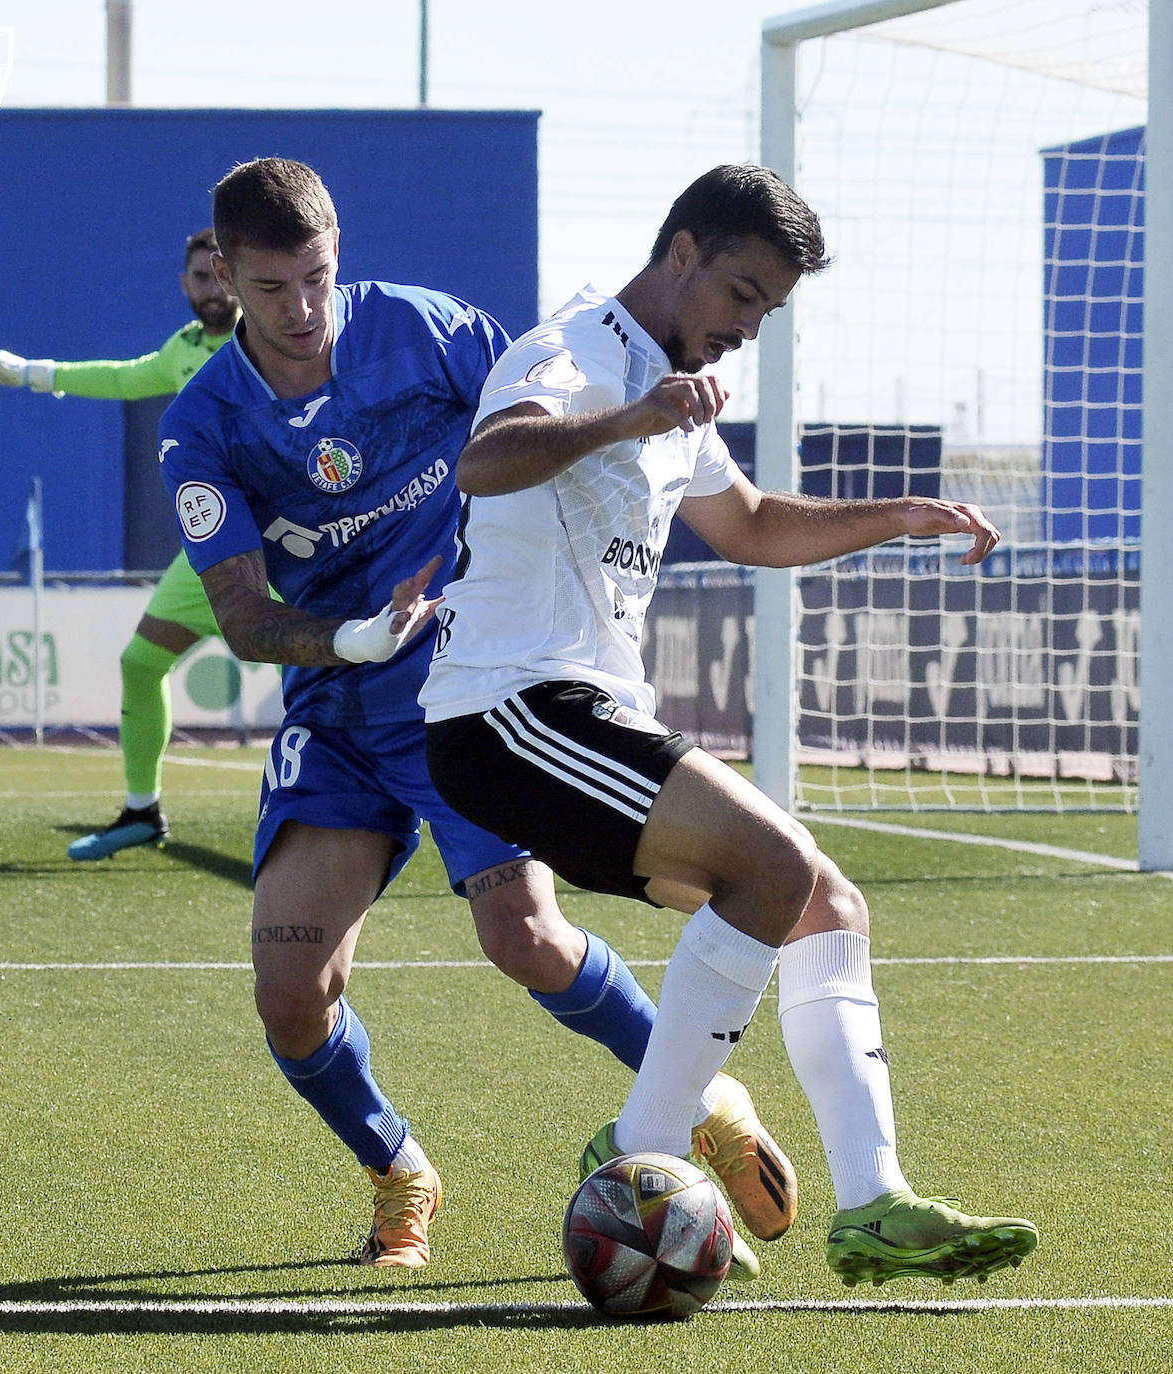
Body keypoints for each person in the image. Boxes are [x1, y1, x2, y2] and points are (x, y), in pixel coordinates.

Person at [156, 156, 797, 1272]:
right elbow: (247, 618)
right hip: (340, 703)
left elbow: (535, 416)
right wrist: (349, 638)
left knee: (527, 938)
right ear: (223, 278)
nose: (301, 311)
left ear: (337, 250)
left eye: (316, 277)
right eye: (270, 290)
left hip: (464, 690)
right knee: (290, 995)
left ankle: (706, 1104)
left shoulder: (427, 331)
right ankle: (397, 1167)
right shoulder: (203, 427)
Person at [421, 163, 1040, 1288]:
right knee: (773, 863)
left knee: (821, 903)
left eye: (770, 309)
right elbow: (485, 460)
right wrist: (629, 416)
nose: (749, 326)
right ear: (682, 252)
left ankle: (875, 1204)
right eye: (742, 292)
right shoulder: (570, 352)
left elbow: (750, 525)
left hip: (581, 713)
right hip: (506, 711)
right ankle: (641, 1151)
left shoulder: (677, 389)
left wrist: (894, 516)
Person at [0, 229, 241, 861]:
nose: (210, 289)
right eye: (198, 277)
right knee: (140, 664)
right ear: (184, 284)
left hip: (282, 547)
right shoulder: (184, 348)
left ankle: (415, 805)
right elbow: (121, 376)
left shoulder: (273, 341)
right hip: (207, 552)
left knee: (338, 673)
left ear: (238, 274)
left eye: (219, 275)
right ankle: (142, 810)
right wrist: (26, 372)